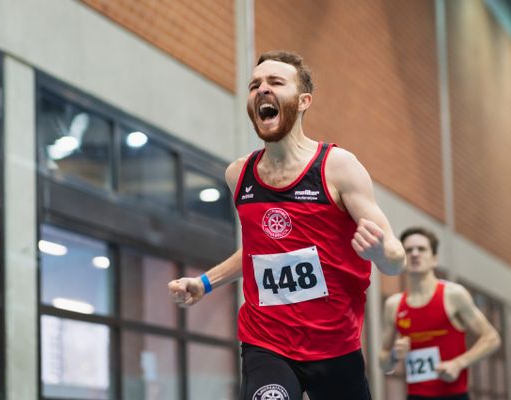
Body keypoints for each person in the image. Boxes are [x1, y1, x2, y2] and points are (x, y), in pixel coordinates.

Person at [168, 50, 406, 400]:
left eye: (276, 82)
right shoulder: (239, 175)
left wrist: (379, 253)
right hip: (266, 342)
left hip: (335, 346)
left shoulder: (337, 167)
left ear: (303, 100)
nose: (262, 89)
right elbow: (258, 250)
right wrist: (206, 282)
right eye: (254, 85)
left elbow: (395, 257)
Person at [379, 227, 501, 400]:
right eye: (408, 250)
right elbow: (383, 363)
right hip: (415, 396)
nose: (414, 254)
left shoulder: (453, 295)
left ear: (434, 259)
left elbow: (492, 338)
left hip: (453, 394)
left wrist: (458, 363)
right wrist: (393, 355)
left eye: (421, 249)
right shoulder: (394, 305)